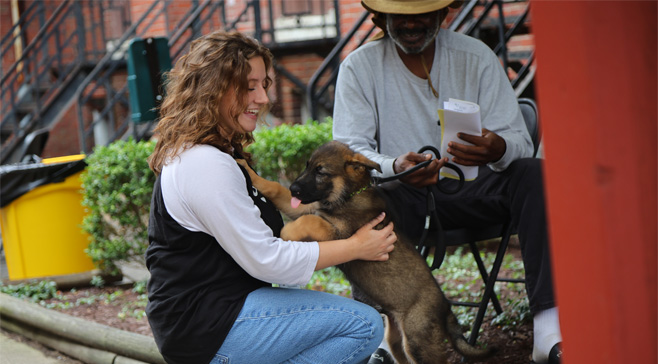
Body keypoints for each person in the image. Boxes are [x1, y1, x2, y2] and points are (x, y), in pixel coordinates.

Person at [145, 30, 397, 364]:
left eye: (264, 84)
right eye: (248, 86)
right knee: (362, 325)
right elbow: (267, 261)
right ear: (212, 89)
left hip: (210, 316)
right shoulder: (204, 163)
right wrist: (356, 247)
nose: (263, 98)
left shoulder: (212, 152)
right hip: (208, 327)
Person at [332, 1, 562, 364]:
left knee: (535, 173)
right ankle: (375, 338)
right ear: (380, 17)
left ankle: (550, 332)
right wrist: (396, 165)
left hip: (477, 186)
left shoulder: (477, 56)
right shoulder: (359, 67)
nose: (412, 23)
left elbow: (517, 139)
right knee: (364, 203)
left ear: (443, 14)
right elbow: (350, 153)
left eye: (422, 11)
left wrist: (496, 147)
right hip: (402, 195)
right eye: (401, 13)